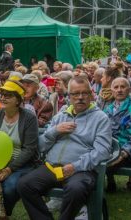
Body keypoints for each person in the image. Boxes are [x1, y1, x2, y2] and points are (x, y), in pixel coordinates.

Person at [17, 76, 112, 220]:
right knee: (25, 185)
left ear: (91, 94)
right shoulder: (60, 116)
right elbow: (41, 146)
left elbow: (102, 151)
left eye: (84, 93)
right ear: (69, 96)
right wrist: (55, 131)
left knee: (76, 189)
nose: (80, 97)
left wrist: (75, 166)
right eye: (75, 94)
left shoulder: (100, 118)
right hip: (52, 167)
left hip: (81, 169)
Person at [0, 79, 39, 219]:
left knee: (10, 186)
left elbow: (30, 149)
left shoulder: (29, 118)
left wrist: (10, 168)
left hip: (20, 163)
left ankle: (3, 213)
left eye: (8, 95)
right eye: (2, 94)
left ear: (18, 100)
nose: (2, 98)